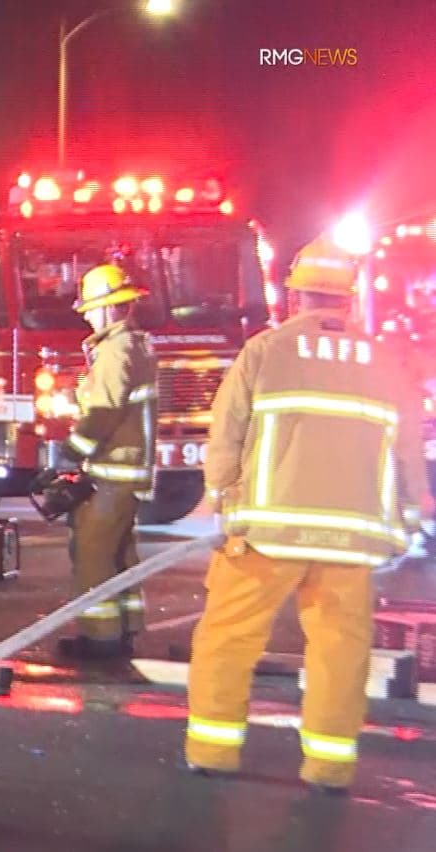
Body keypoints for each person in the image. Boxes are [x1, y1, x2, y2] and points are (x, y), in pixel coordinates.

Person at [184, 236, 428, 794]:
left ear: (295, 297)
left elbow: (227, 433)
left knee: (228, 638)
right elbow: (409, 447)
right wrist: (415, 508)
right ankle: (330, 766)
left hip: (267, 533)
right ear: (348, 299)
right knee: (341, 651)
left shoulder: (266, 351)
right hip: (350, 539)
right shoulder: (386, 361)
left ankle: (213, 752)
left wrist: (217, 496)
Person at [48, 263, 158, 661]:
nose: (89, 317)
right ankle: (125, 630)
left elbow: (105, 411)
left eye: (93, 309)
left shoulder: (115, 351)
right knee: (119, 554)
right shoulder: (136, 346)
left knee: (92, 553)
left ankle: (100, 640)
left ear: (111, 309)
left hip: (113, 472)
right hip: (127, 472)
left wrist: (72, 450)